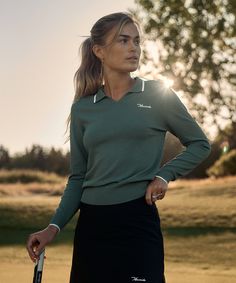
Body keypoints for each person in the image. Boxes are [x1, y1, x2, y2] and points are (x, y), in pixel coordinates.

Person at [26, 12, 211, 283]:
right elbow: (78, 178)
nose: (134, 48)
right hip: (93, 227)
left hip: (137, 221)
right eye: (123, 41)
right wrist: (53, 228)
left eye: (137, 41)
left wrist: (164, 175)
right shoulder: (82, 109)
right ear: (99, 50)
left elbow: (200, 144)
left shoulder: (159, 96)